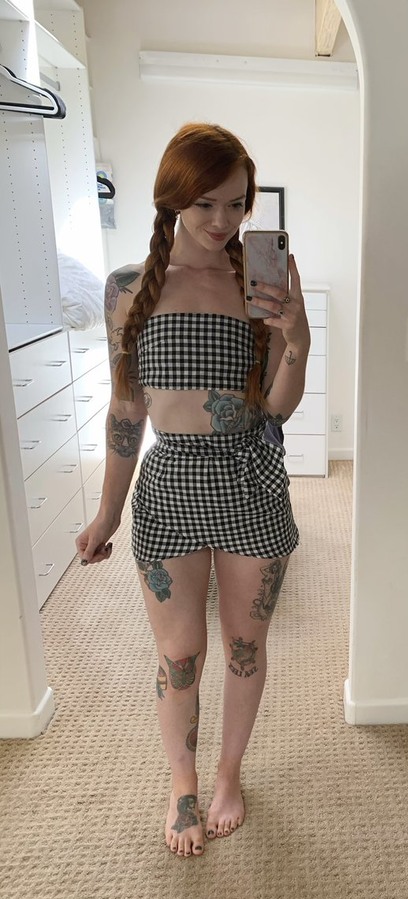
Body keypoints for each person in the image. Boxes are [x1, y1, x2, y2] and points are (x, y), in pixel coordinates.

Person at [76, 123, 310, 858]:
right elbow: (126, 411)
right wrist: (107, 513)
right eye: (205, 203)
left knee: (245, 643)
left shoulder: (263, 281)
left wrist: (297, 339)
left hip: (251, 479)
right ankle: (182, 783)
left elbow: (276, 410)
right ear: (173, 198)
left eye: (236, 204)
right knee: (180, 653)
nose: (222, 220)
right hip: (169, 484)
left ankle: (228, 775)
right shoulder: (127, 290)